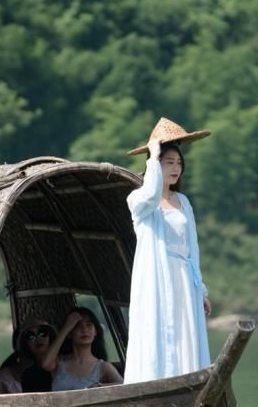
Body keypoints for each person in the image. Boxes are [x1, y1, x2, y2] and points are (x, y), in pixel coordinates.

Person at [123, 118, 213, 384]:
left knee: (186, 332)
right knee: (157, 328)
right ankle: (155, 386)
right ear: (155, 165)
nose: (176, 168)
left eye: (178, 163)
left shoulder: (183, 201)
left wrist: (202, 289)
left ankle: (187, 384)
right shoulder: (138, 200)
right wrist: (152, 155)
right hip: (156, 278)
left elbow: (192, 248)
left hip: (184, 278)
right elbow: (151, 195)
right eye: (168, 162)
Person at [41, 307, 124, 390]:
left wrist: (99, 387)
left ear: (95, 332)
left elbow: (124, 385)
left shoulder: (102, 367)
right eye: (77, 326)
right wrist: (66, 327)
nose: (84, 329)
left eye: (89, 325)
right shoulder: (59, 362)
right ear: (69, 333)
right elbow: (45, 364)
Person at [0, 318, 55, 394]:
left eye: (43, 333)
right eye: (30, 337)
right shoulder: (28, 375)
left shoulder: (64, 363)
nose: (38, 338)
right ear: (24, 345)